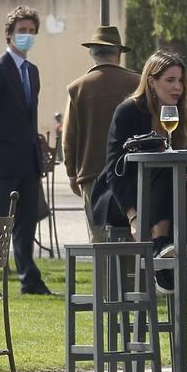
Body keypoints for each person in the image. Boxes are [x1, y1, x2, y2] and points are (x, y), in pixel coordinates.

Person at [89, 49, 187, 288]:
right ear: (151, 81)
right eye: (170, 80)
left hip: (166, 194)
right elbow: (114, 169)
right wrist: (134, 217)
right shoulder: (129, 111)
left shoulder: (185, 114)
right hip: (123, 196)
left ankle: (186, 250)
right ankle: (160, 245)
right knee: (161, 165)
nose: (177, 87)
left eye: (180, 80)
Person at [0, 6, 53, 298]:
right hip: (0, 161)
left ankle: (29, 279)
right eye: (22, 31)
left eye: (32, 31)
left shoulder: (32, 72)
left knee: (26, 223)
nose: (27, 36)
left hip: (27, 160)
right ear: (9, 34)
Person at [63, 25, 141, 241]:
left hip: (91, 174)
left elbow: (70, 139)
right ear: (118, 53)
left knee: (100, 244)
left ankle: (104, 277)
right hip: (132, 172)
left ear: (92, 53)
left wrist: (72, 173)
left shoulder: (77, 88)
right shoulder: (138, 83)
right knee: (135, 241)